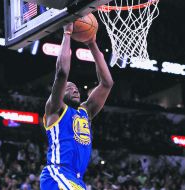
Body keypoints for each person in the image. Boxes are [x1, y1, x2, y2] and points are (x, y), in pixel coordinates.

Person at [40, 22, 114, 190]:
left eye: (76, 87)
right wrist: (67, 34)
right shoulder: (55, 109)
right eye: (69, 87)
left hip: (76, 179)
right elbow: (62, 73)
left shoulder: (85, 111)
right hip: (57, 173)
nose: (74, 89)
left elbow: (107, 83)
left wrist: (92, 44)